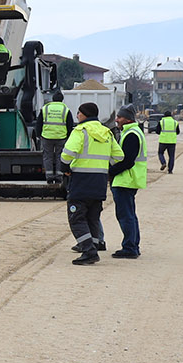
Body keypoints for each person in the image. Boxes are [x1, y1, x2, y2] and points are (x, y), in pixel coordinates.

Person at [59, 101, 115, 265]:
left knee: (76, 217)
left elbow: (66, 155)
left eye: (78, 113)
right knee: (93, 216)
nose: (77, 116)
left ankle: (88, 250)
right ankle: (94, 246)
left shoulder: (80, 131)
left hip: (81, 181)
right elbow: (119, 156)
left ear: (84, 114)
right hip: (99, 182)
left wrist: (65, 167)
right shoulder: (107, 132)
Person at [108, 105, 147, 260]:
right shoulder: (133, 132)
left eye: (120, 117)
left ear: (128, 119)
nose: (117, 120)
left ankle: (130, 247)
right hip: (129, 179)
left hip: (126, 179)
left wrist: (110, 172)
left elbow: (127, 161)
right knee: (130, 214)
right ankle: (133, 245)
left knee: (125, 215)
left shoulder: (131, 134)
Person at [38, 94, 74, 185]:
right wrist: (69, 136)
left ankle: (49, 177)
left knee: (48, 157)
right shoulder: (66, 110)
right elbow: (70, 125)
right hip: (61, 137)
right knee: (59, 157)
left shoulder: (45, 109)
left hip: (47, 136)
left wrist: (39, 135)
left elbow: (39, 123)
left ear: (52, 99)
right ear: (62, 100)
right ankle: (59, 177)